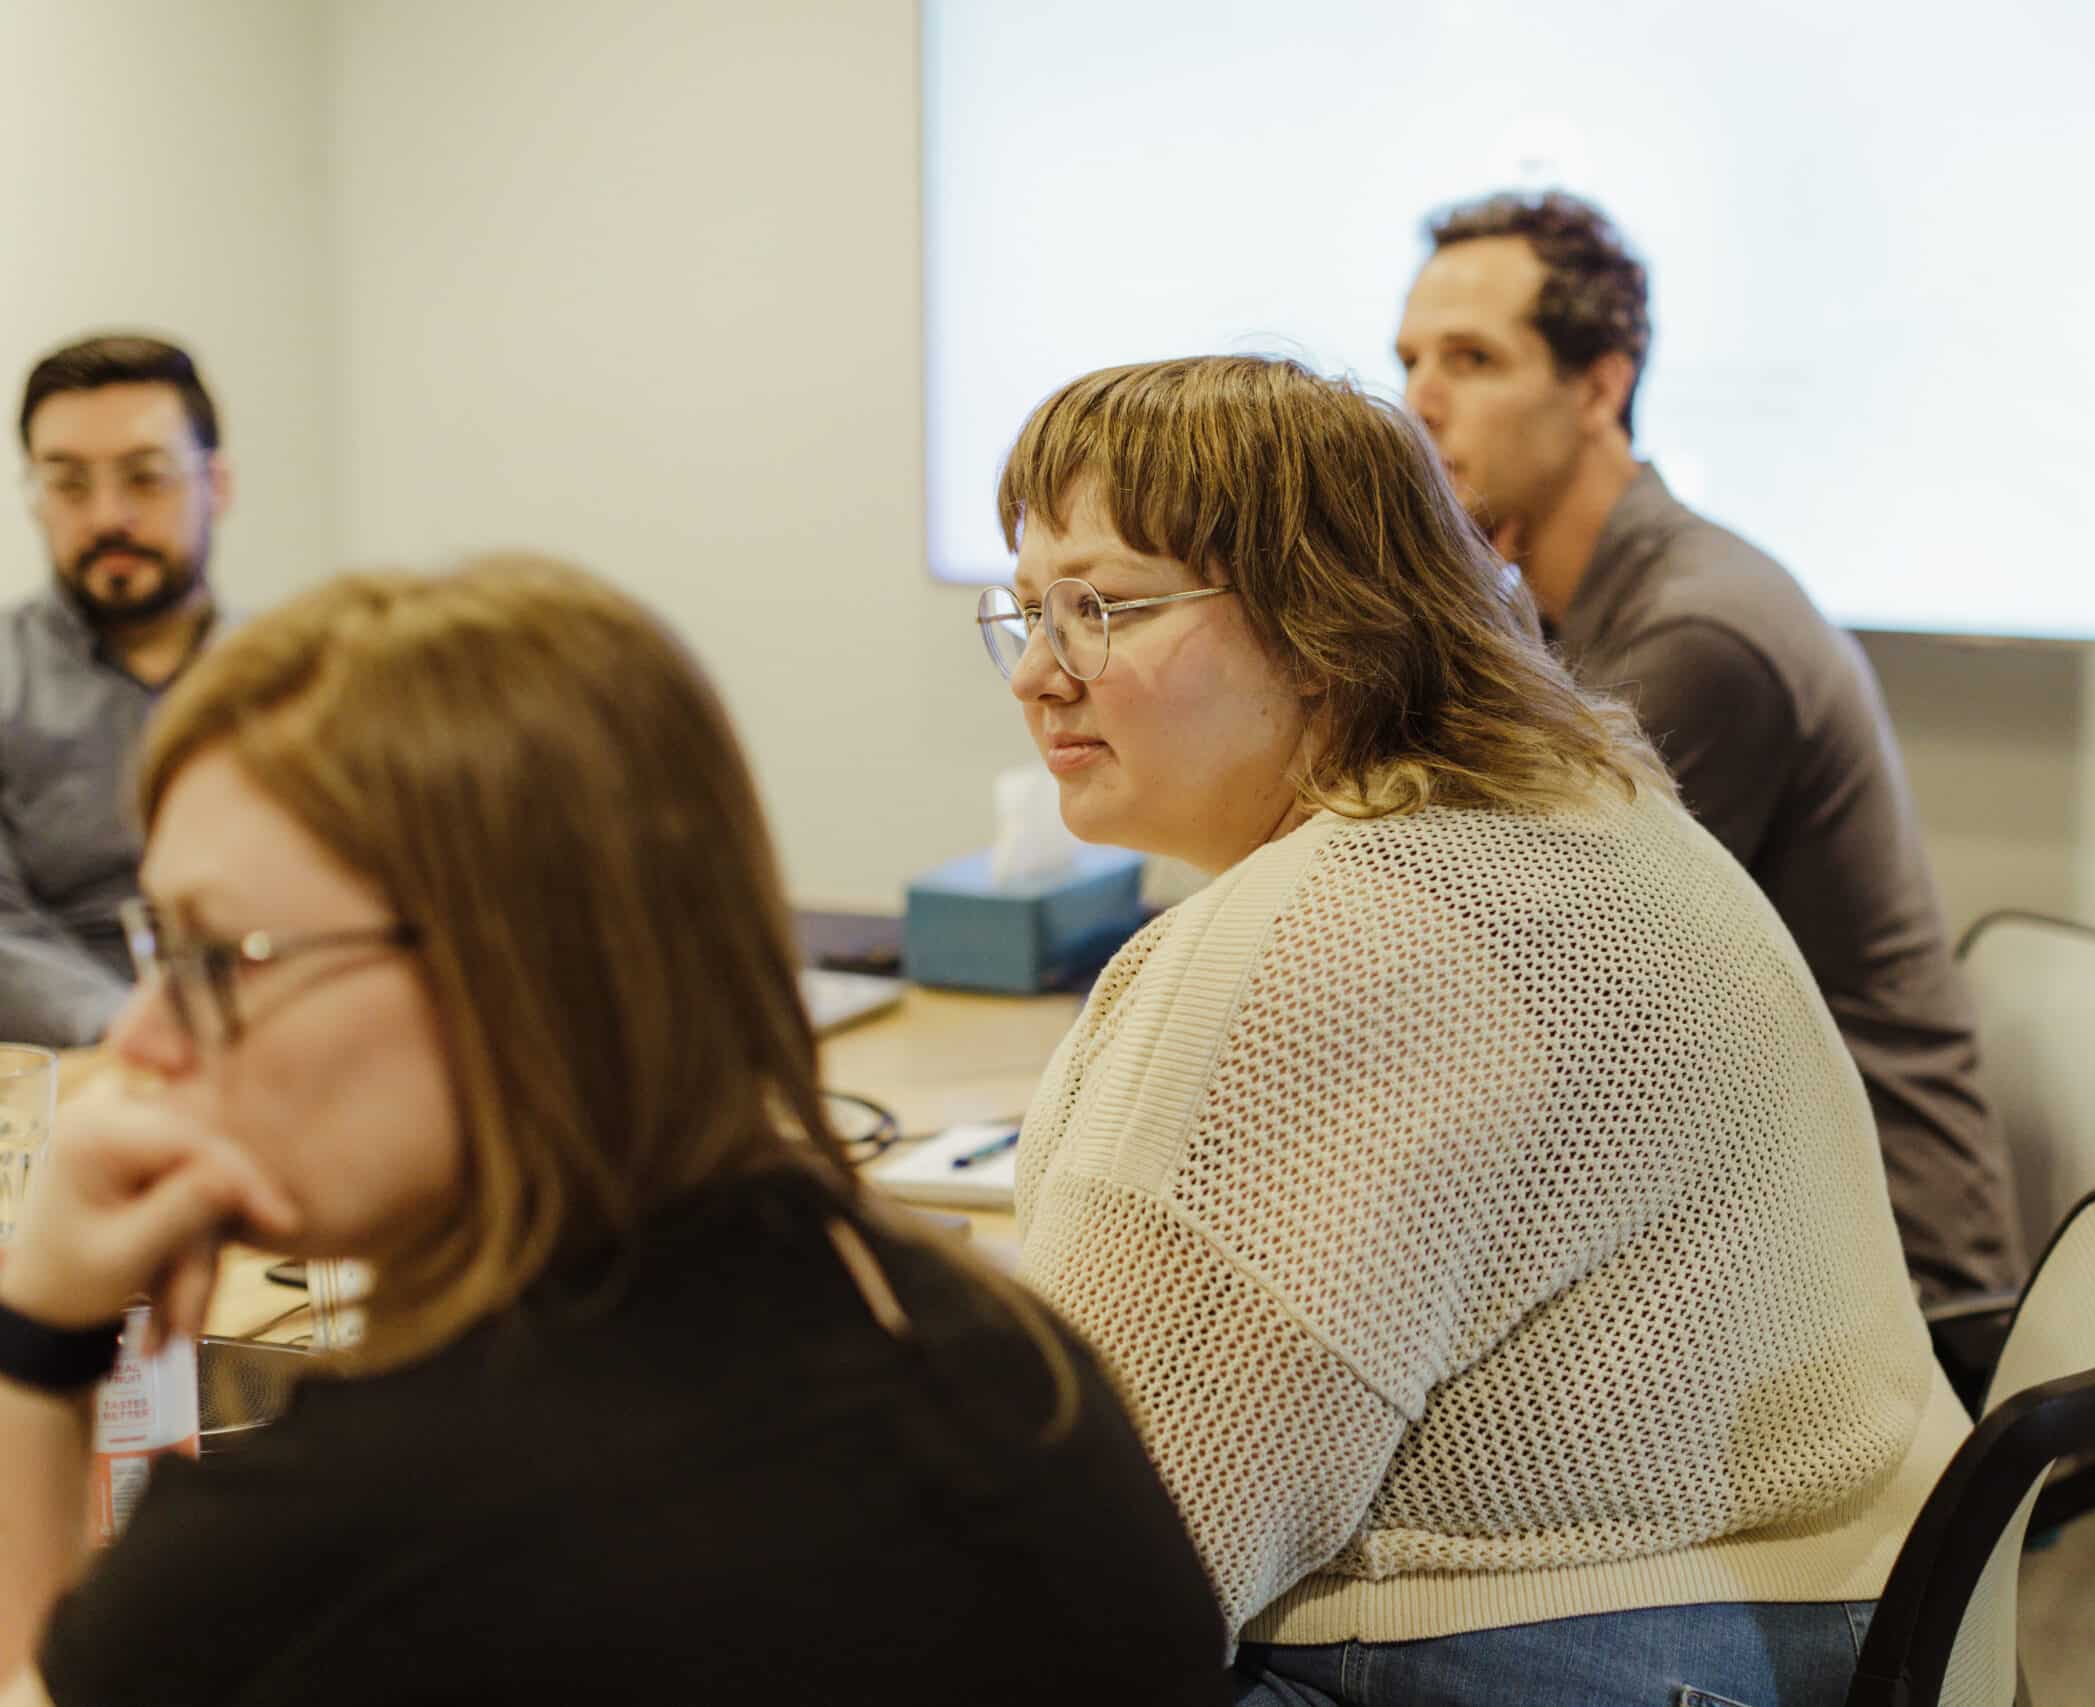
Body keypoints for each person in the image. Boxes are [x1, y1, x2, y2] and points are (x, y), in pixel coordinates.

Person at [0, 560, 1230, 1705]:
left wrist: (42, 1339)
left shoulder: (342, 1526)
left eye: (221, 958)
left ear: (506, 975)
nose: (145, 1036)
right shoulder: (1001, 1362)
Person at [976, 355, 1968, 1705]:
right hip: (1824, 1597)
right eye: (1027, 612)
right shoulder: (1570, 795)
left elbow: (1105, 1562)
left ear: (1320, 626)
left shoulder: (1336, 929)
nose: (1038, 675)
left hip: (1631, 1643)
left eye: (1099, 608)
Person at [1394, 191, 2024, 1302]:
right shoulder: (1570, 604)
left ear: (1602, 387)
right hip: (1749, 1205)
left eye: (1473, 360)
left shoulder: (1696, 636)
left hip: (1881, 1284)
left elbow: (1535, 994)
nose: (1419, 404)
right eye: (1410, 361)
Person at [2, 335, 233, 1047]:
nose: (107, 517)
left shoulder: (304, 683)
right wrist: (136, 1033)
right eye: (69, 484)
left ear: (217, 486)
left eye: (145, 477)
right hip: (67, 1061)